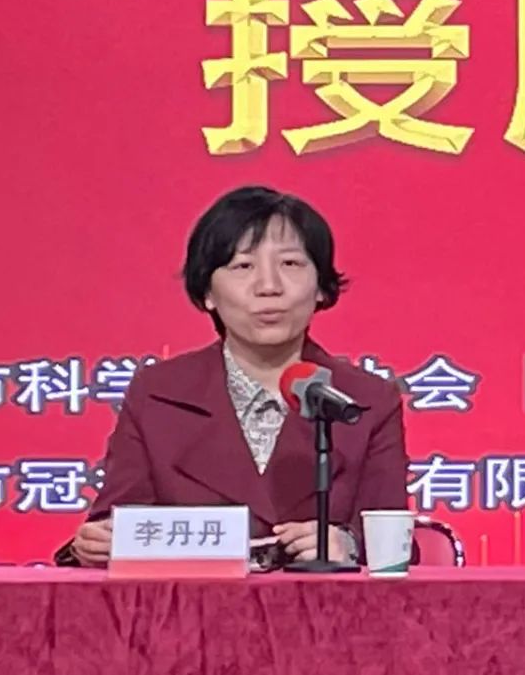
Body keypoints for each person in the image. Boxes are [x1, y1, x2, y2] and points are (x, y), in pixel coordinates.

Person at [63, 185, 409, 567]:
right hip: (188, 604)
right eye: (243, 266)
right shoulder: (158, 393)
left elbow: (396, 543)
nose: (269, 287)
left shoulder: (366, 399)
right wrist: (94, 545)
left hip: (324, 603)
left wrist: (350, 545)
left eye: (290, 264)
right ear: (208, 293)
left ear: (321, 289)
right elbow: (116, 524)